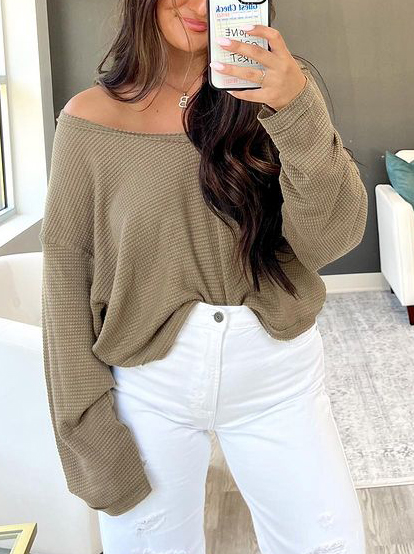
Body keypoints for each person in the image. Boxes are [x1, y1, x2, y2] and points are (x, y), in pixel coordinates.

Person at [39, 0, 369, 551]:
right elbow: (66, 281)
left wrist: (295, 109)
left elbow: (331, 239)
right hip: (147, 389)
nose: (199, 5)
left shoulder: (280, 93)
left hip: (279, 379)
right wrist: (85, 432)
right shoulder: (88, 123)